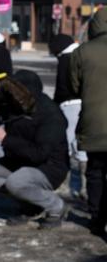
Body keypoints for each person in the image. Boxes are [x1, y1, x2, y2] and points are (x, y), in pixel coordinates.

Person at [0, 70, 70, 229]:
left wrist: (5, 139)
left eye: (15, 95)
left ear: (27, 95)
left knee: (16, 182)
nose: (10, 99)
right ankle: (31, 206)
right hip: (19, 160)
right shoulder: (12, 101)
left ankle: (56, 206)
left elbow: (40, 154)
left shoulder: (51, 115)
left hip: (48, 167)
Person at [70, 7, 107, 237]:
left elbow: (74, 87)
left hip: (93, 123)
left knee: (95, 172)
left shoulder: (82, 52)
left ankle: (96, 216)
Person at [48, 33, 87, 200]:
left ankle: (68, 184)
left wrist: (55, 105)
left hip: (69, 105)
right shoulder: (81, 55)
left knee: (66, 144)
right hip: (84, 104)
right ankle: (85, 186)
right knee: (82, 146)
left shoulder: (65, 59)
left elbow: (62, 87)